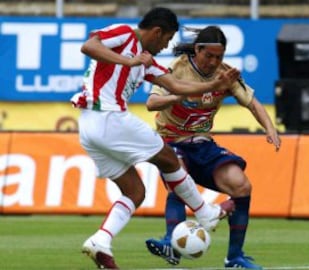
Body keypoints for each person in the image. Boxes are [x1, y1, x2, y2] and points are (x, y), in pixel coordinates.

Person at [70, 8, 239, 270]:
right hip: (108, 117)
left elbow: (176, 86)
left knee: (135, 191)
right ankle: (206, 214)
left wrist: (212, 86)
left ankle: (101, 241)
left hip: (91, 129)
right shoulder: (125, 34)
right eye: (166, 39)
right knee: (169, 159)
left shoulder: (147, 62)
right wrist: (128, 62)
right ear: (157, 32)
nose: (166, 46)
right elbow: (89, 45)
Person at [145, 26, 281, 269]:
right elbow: (152, 103)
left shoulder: (226, 75)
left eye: (219, 57)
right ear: (197, 50)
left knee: (242, 185)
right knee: (178, 175)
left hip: (203, 144)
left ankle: (235, 258)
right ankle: (170, 241)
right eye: (209, 56)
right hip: (171, 142)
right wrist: (177, 97)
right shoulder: (176, 70)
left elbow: (253, 103)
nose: (214, 62)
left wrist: (270, 128)